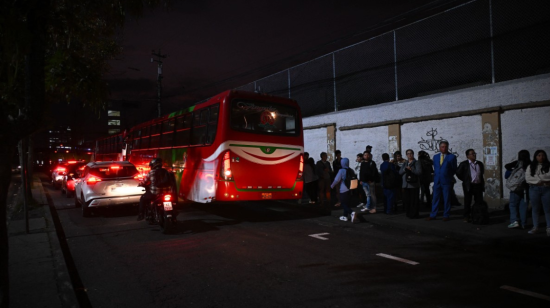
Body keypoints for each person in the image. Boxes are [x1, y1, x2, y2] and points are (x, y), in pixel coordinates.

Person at [427, 141, 457, 221]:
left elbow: (454, 169)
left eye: (446, 147)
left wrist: (448, 175)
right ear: (440, 148)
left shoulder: (452, 157)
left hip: (446, 181)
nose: (444, 148)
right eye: (442, 147)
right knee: (435, 198)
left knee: (446, 199)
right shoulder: (436, 157)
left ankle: (446, 215)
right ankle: (433, 214)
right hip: (437, 181)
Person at [525, 150, 550, 236]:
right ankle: (535, 227)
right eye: (539, 155)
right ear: (535, 157)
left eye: (543, 155)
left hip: (546, 189)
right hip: (534, 189)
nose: (541, 157)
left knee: (548, 209)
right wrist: (541, 180)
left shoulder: (548, 166)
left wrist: (537, 179)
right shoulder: (530, 166)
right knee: (535, 209)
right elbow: (528, 178)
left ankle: (549, 228)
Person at [456, 149, 485, 222]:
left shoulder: (479, 164)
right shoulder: (464, 164)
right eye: (472, 154)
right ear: (468, 156)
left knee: (478, 201)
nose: (474, 155)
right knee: (467, 201)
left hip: (478, 185)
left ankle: (477, 216)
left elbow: (481, 173)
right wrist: (465, 180)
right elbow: (458, 173)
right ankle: (466, 216)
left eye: (474, 153)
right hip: (469, 185)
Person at [504, 150, 531, 229]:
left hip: (516, 188)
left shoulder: (517, 163)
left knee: (513, 205)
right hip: (527, 188)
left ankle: (514, 221)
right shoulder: (531, 164)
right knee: (524, 206)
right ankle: (523, 223)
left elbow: (507, 167)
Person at [399, 149, 422, 218]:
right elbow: (400, 172)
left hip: (414, 185)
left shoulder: (417, 162)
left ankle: (414, 214)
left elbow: (419, 172)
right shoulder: (405, 163)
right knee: (407, 201)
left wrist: (411, 169)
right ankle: (408, 213)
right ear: (406, 155)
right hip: (406, 185)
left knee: (414, 201)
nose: (409, 155)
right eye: (408, 154)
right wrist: (405, 169)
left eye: (411, 153)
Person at [331, 158, 354, 222]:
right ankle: (345, 216)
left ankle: (352, 212)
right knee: (347, 203)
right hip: (351, 189)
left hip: (343, 189)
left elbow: (336, 180)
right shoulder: (351, 170)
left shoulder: (341, 170)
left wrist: (332, 186)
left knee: (343, 203)